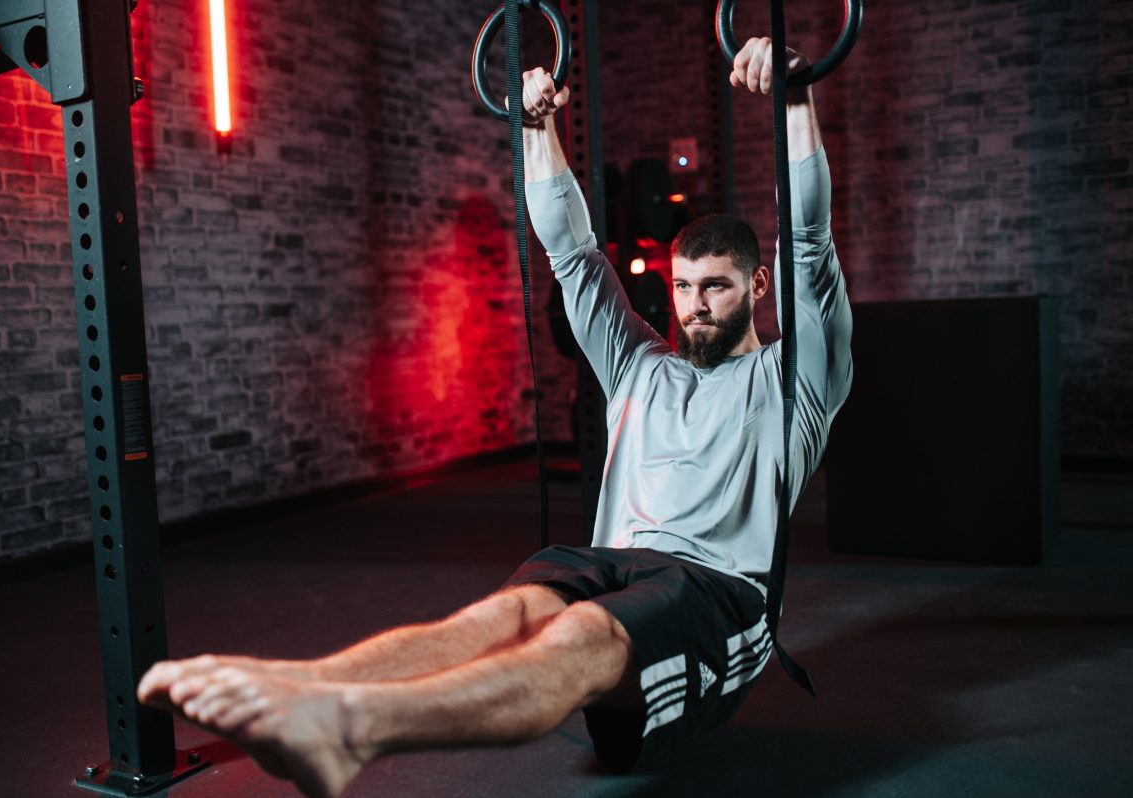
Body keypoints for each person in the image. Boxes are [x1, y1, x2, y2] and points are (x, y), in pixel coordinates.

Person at [138, 37, 852, 798]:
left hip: (715, 588)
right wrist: (535, 127)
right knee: (504, 615)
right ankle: (307, 688)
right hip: (608, 562)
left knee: (580, 633)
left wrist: (793, 97)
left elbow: (810, 243)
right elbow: (573, 255)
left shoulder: (795, 377)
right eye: (682, 287)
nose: (694, 306)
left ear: (758, 286)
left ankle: (358, 726)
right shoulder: (640, 364)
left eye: (715, 287)